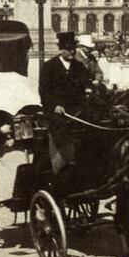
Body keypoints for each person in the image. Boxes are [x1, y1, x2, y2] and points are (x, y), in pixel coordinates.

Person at [39, 31, 91, 173]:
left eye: (73, 48)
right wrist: (54, 105)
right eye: (68, 49)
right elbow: (44, 91)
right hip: (57, 112)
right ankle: (62, 165)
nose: (71, 52)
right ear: (61, 49)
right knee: (60, 131)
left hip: (78, 110)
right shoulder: (49, 66)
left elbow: (85, 84)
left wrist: (88, 89)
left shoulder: (79, 67)